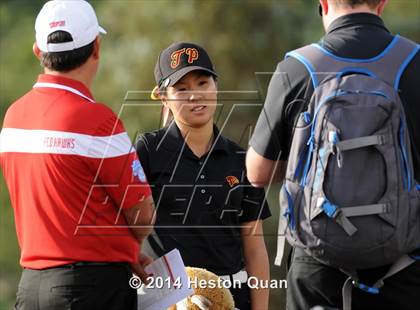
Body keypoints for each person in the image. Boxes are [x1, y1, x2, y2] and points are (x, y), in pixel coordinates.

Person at [246, 0, 420, 309]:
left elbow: (258, 173)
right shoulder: (414, 61)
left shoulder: (298, 67)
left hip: (318, 271)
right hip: (403, 269)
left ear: (324, 4)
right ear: (382, 3)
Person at [0, 1, 155, 309]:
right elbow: (143, 217)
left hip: (30, 288)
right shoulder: (99, 122)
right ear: (96, 47)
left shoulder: (12, 117)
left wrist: (121, 250)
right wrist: (124, 247)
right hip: (92, 290)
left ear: (37, 51)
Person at [135, 42, 272, 310]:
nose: (195, 96)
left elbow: (255, 249)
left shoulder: (240, 159)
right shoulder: (148, 151)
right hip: (169, 301)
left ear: (216, 87)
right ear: (164, 97)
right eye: (181, 89)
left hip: (232, 299)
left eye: (202, 83)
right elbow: (125, 230)